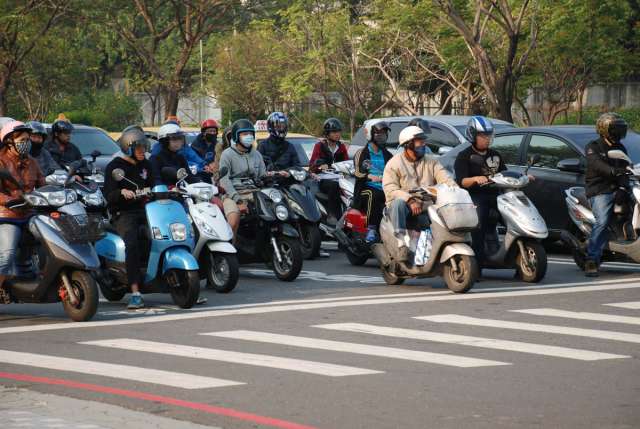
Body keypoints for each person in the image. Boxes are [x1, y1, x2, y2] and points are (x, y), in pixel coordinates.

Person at [382, 125, 457, 261]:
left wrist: (457, 193)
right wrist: (409, 200)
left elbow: (446, 180)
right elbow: (390, 189)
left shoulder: (432, 161)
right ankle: (402, 244)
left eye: (423, 141)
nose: (424, 144)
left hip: (425, 205)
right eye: (419, 141)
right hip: (403, 207)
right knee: (399, 203)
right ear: (409, 144)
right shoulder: (394, 163)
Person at [103, 125, 153, 309]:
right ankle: (135, 291)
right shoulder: (115, 167)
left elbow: (155, 184)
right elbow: (108, 195)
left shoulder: (146, 165)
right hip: (123, 213)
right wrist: (121, 192)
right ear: (128, 148)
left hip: (147, 210)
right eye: (138, 148)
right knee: (132, 243)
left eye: (144, 147)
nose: (142, 151)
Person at [0, 121, 44, 302]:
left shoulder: (32, 162)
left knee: (52, 237)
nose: (27, 142)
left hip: (29, 213)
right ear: (10, 141)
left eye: (28, 139)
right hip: (7, 215)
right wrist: (9, 201)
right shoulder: (1, 161)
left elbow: (43, 183)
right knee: (7, 254)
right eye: (22, 139)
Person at [454, 116, 506, 267]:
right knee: (479, 223)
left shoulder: (495, 154)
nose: (487, 139)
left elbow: (504, 173)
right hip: (475, 196)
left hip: (496, 195)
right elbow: (461, 181)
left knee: (513, 217)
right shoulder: (464, 156)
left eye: (488, 135)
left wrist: (523, 177)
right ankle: (477, 264)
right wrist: (476, 178)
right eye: (483, 136)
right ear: (472, 135)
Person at [583, 112, 630, 277]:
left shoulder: (620, 148)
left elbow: (626, 169)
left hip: (617, 189)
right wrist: (613, 171)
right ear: (605, 130)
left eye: (620, 129)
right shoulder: (593, 146)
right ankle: (591, 259)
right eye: (616, 129)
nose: (619, 132)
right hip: (599, 190)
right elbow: (597, 166)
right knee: (603, 220)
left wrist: (624, 189)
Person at [218, 119, 266, 239]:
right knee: (233, 220)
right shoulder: (227, 154)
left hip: (255, 192)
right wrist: (238, 201)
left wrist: (276, 175)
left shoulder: (257, 154)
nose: (249, 137)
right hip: (233, 194)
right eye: (245, 134)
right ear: (236, 136)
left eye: (251, 134)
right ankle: (228, 252)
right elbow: (224, 181)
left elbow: (262, 176)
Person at [353, 120, 393, 243]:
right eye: (378, 133)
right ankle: (371, 228)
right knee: (374, 194)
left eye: (384, 133)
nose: (382, 136)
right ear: (370, 134)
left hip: (385, 187)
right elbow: (357, 173)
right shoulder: (362, 153)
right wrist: (369, 176)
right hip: (365, 189)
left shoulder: (388, 155)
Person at [309, 118, 349, 224]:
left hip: (339, 178)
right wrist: (320, 166)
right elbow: (312, 166)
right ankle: (332, 214)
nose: (337, 134)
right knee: (334, 186)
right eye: (334, 132)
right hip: (322, 179)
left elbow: (347, 163)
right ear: (327, 133)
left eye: (339, 131)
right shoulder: (319, 146)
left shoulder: (342, 147)